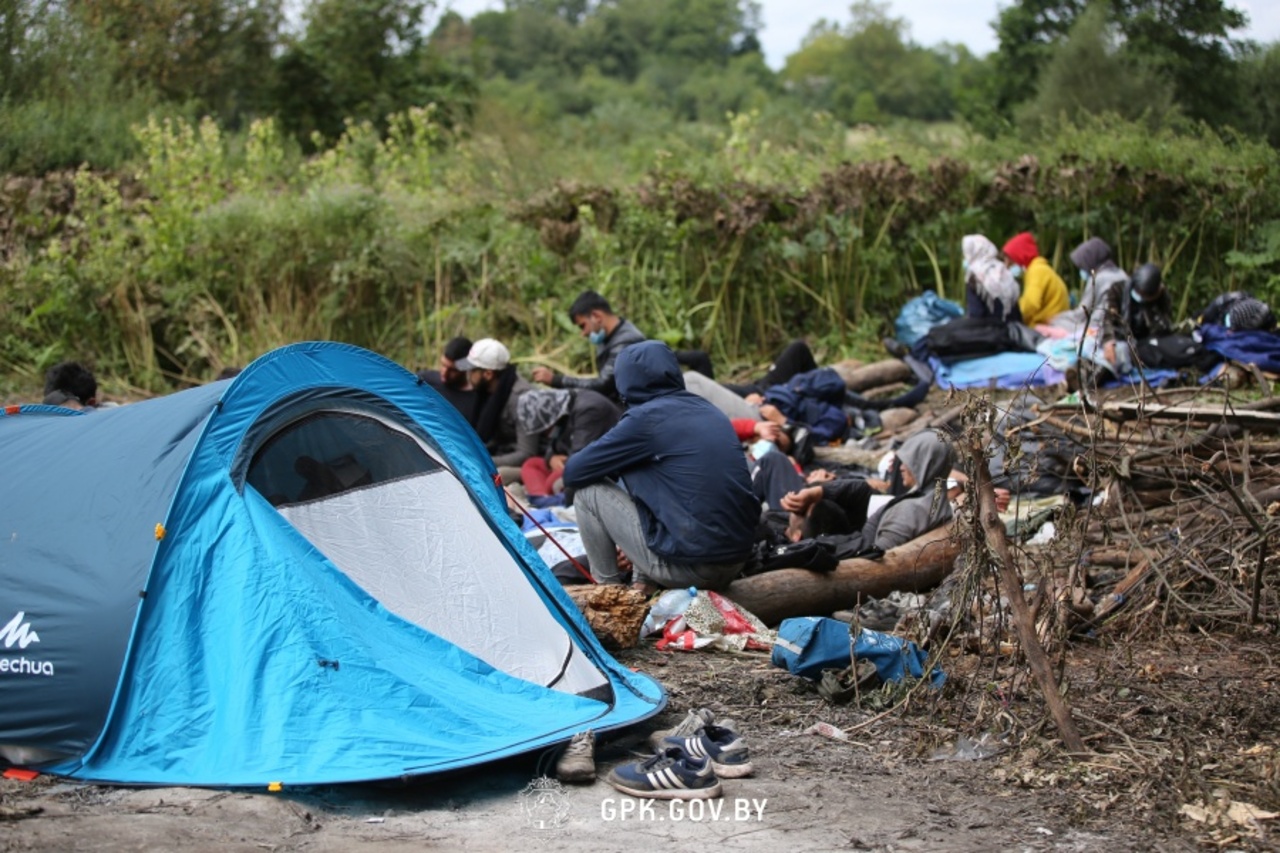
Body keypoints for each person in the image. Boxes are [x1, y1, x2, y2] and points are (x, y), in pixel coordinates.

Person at [561, 341, 759, 593]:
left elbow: (573, 472)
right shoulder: (709, 410)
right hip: (735, 560)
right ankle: (642, 584)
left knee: (588, 492)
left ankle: (608, 595)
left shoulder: (644, 420)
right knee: (646, 468)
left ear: (625, 383)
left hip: (692, 569)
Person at [778, 429, 958, 557]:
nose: (901, 467)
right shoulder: (932, 501)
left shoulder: (913, 510)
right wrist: (819, 490)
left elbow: (879, 558)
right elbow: (863, 492)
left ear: (925, 464)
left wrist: (811, 551)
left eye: (910, 462)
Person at [531, 291, 645, 401]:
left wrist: (556, 380)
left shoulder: (626, 341)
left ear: (597, 316)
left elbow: (604, 385)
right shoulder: (607, 338)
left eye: (582, 326)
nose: (583, 333)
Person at [515, 388, 622, 498]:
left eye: (544, 431)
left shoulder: (589, 409)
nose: (546, 435)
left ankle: (551, 502)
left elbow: (580, 460)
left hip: (595, 467)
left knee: (553, 481)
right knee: (531, 464)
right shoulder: (561, 412)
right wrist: (551, 458)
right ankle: (543, 498)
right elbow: (553, 446)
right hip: (569, 460)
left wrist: (564, 463)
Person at [456, 338, 531, 470]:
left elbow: (527, 452)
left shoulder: (521, 399)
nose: (468, 375)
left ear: (488, 374)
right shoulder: (487, 394)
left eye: (472, 370)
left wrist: (482, 461)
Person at [1068, 237, 1133, 379]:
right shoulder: (1122, 274)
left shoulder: (1098, 278)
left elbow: (1082, 313)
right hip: (1119, 330)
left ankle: (1091, 372)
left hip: (1098, 327)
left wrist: (1055, 319)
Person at [1002, 232, 1070, 326]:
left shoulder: (1037, 272)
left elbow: (1031, 304)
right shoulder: (1040, 269)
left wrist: (1009, 317)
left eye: (1010, 261)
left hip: (1048, 326)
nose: (1006, 266)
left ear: (1020, 256)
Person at [416, 336, 478, 423]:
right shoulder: (424, 381)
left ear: (466, 368)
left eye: (452, 370)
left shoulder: (475, 402)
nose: (445, 373)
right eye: (443, 365)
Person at [962, 235, 1022, 323]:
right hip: (1011, 329)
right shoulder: (1005, 272)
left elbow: (976, 313)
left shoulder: (975, 276)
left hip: (987, 332)